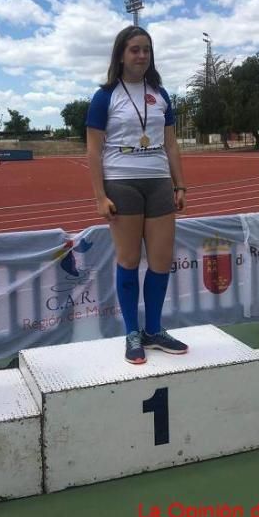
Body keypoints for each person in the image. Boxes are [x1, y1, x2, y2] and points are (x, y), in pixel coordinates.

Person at [86, 25, 188, 364]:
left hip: (158, 181)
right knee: (129, 260)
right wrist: (100, 196)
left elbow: (171, 143)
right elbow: (93, 150)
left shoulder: (160, 94)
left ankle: (154, 330)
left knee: (160, 262)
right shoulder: (105, 97)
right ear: (120, 54)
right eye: (134, 49)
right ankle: (132, 332)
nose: (141, 55)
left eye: (146, 49)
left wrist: (180, 184)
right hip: (122, 181)